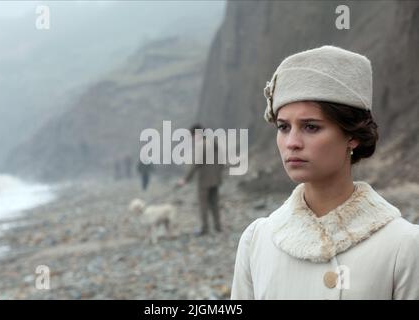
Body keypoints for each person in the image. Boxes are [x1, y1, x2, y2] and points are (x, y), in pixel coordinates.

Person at [231, 45, 419, 299]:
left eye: (311, 127)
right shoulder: (258, 240)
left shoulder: (403, 245)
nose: (292, 142)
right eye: (284, 127)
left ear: (351, 135)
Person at [176, 124, 224, 236]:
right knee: (215, 203)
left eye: (192, 136)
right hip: (216, 179)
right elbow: (222, 161)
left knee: (203, 204)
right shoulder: (213, 142)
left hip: (205, 181)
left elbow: (195, 164)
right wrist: (218, 173)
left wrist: (185, 180)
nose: (192, 139)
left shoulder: (200, 145)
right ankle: (218, 227)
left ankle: (205, 228)